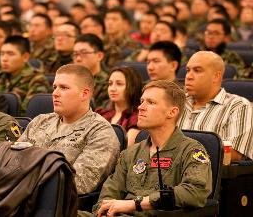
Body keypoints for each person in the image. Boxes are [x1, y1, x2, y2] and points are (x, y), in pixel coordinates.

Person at [79, 80, 212, 217]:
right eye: (142, 101)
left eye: (151, 102)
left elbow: (196, 191)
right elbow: (107, 197)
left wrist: (136, 203)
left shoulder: (191, 151)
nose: (141, 107)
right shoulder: (130, 153)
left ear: (172, 112)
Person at [18, 64, 119, 194]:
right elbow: (13, 162)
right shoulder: (40, 121)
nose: (55, 93)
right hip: (20, 196)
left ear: (84, 94)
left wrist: (27, 176)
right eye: (54, 87)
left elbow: (79, 183)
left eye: (64, 88)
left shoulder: (100, 132)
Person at [178, 51, 253, 161]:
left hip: (211, 175)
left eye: (197, 70)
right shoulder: (176, 103)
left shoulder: (238, 106)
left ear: (216, 76)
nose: (189, 76)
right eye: (188, 70)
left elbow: (234, 154)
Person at [0, 36, 50, 114]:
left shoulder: (37, 79)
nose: (4, 59)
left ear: (25, 57)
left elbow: (29, 114)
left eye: (10, 54)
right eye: (2, 54)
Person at [96, 67, 143, 147]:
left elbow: (125, 148)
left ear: (132, 87)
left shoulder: (137, 118)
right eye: (110, 84)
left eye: (119, 84)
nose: (112, 89)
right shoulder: (101, 114)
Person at [73, 34, 109, 108]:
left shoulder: (109, 83)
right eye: (75, 54)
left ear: (99, 56)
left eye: (84, 53)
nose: (78, 58)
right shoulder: (68, 81)